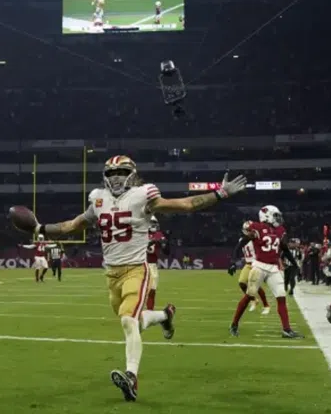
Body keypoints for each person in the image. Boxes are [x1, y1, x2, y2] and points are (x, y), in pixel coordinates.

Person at [28, 155, 247, 402]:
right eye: (111, 173)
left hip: (136, 270)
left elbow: (185, 204)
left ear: (132, 174)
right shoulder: (98, 198)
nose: (116, 177)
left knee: (128, 320)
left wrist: (221, 193)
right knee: (136, 321)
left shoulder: (143, 194)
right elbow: (71, 226)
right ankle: (165, 316)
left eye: (121, 172)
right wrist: (39, 228)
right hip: (111, 273)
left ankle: (131, 377)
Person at [229, 205, 302, 339]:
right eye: (275, 215)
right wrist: (233, 260)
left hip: (274, 268)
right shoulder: (256, 227)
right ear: (267, 216)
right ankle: (234, 324)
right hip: (259, 267)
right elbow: (242, 243)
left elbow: (285, 249)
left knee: (281, 296)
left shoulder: (279, 230)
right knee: (249, 295)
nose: (278, 218)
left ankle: (286, 329)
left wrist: (295, 264)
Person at [228, 223, 270, 315]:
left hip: (257, 264)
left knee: (255, 285)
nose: (249, 231)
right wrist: (233, 262)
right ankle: (253, 300)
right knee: (242, 282)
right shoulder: (242, 240)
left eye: (250, 229)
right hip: (248, 264)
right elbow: (237, 250)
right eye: (247, 229)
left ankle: (266, 305)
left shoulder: (258, 238)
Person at [145, 216, 168, 309]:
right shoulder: (141, 234)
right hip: (141, 264)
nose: (153, 225)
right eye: (152, 223)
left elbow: (166, 252)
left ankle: (149, 311)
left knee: (152, 290)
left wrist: (164, 244)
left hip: (152, 265)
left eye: (154, 223)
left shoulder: (158, 234)